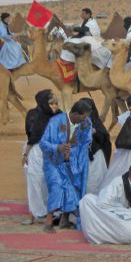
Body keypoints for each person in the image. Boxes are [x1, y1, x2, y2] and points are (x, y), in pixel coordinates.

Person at [40, 99, 93, 233]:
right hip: (53, 161)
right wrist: (57, 147)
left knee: (72, 189)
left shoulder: (86, 123)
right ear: (75, 114)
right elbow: (43, 143)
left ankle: (64, 220)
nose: (85, 120)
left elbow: (85, 143)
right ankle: (48, 222)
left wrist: (73, 154)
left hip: (71, 162)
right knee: (57, 186)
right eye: (83, 116)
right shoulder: (55, 122)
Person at [80, 162, 131, 244]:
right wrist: (122, 210)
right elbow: (104, 202)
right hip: (115, 214)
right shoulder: (117, 183)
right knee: (87, 199)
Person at [22, 90, 61, 224]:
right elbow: (32, 135)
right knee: (34, 181)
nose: (54, 103)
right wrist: (26, 153)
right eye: (50, 99)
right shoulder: (35, 115)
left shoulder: (59, 114)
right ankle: (34, 213)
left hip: (54, 150)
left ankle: (54, 212)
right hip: (35, 150)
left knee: (52, 180)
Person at [84, 99, 111, 194]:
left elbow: (105, 140)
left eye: (88, 110)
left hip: (96, 159)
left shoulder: (96, 122)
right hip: (82, 159)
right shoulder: (77, 122)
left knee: (96, 183)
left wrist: (95, 133)